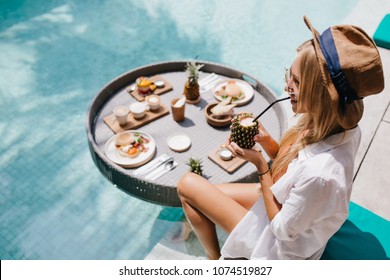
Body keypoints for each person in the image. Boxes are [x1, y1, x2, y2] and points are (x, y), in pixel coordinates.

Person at [177, 16, 385, 260]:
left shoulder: (321, 174)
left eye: (296, 81)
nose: (287, 85)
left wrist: (261, 166)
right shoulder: (334, 127)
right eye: (290, 75)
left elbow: (282, 230)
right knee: (195, 194)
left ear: (320, 94)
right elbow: (293, 174)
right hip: (286, 206)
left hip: (277, 244)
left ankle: (216, 262)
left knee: (187, 185)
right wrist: (266, 142)